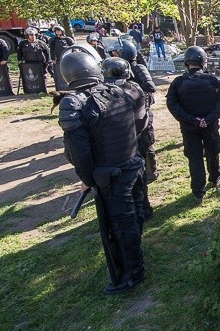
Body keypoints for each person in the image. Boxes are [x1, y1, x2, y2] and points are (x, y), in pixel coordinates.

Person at [56, 50, 147, 294]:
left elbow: (79, 150)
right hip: (132, 165)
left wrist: (87, 179)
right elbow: (138, 124)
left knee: (122, 224)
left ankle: (132, 273)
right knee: (134, 216)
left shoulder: (73, 103)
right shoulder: (119, 91)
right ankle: (135, 257)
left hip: (113, 175)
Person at [165, 46, 220, 204]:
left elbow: (173, 105)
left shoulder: (178, 82)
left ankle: (198, 191)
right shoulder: (212, 80)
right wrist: (208, 119)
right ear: (203, 62)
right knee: (212, 151)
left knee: (195, 158)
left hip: (189, 127)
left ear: (187, 62)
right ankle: (214, 177)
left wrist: (191, 120)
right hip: (209, 125)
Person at [101, 56, 154, 222]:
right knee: (138, 178)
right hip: (137, 140)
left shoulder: (106, 95)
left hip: (124, 144)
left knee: (127, 183)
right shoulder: (134, 89)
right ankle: (143, 209)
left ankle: (139, 211)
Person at [106, 39, 159, 182]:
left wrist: (133, 89)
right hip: (127, 110)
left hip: (141, 109)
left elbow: (150, 87)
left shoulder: (138, 68)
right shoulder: (117, 70)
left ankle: (151, 172)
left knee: (146, 142)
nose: (114, 56)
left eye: (116, 53)